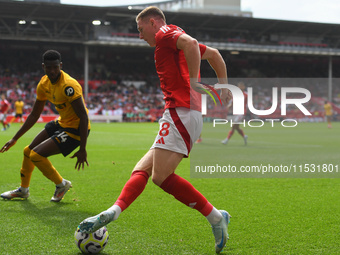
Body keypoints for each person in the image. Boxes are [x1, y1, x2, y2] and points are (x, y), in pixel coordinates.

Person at [78, 6, 231, 254]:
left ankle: (216, 217)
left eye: (140, 30)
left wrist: (194, 82)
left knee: (161, 177)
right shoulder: (171, 44)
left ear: (152, 22)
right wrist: (224, 87)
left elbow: (192, 43)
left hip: (180, 112)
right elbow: (214, 54)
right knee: (141, 169)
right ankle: (113, 211)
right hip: (180, 113)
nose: (140, 36)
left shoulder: (165, 33)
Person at [0, 50, 90, 202]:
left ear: (60, 65)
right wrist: (14, 138)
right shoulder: (43, 84)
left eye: (56, 67)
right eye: (49, 67)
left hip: (76, 129)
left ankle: (61, 184)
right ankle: (23, 190)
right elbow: (34, 114)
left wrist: (82, 149)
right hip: (62, 123)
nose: (53, 71)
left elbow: (83, 116)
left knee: (36, 155)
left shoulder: (69, 85)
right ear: (43, 67)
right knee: (28, 151)